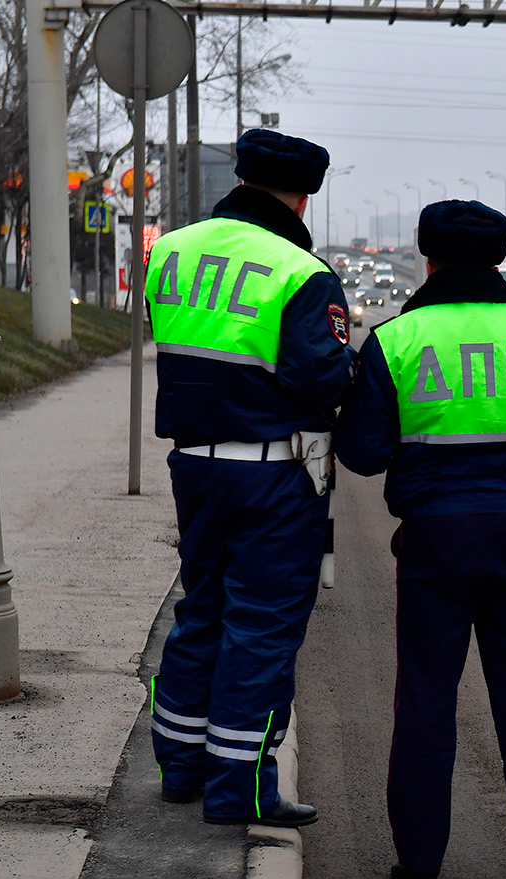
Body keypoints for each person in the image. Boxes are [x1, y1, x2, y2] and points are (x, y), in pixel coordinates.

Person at [335, 199, 506, 879]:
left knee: (425, 700)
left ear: (426, 257)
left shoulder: (397, 340)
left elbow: (364, 456)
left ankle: (420, 864)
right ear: (498, 257)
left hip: (431, 540)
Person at [145, 129, 355, 828]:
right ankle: (243, 791)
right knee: (261, 627)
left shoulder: (170, 251)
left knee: (200, 610)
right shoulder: (299, 270)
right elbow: (318, 378)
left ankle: (179, 766)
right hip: (271, 477)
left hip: (192, 466)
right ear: (302, 198)